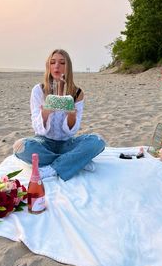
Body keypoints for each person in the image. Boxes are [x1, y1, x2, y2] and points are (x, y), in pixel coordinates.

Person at [13, 49, 105, 181]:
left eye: (62, 63)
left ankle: (54, 168)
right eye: (52, 62)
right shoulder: (38, 90)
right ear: (48, 66)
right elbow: (37, 127)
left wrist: (72, 115)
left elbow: (73, 130)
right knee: (20, 147)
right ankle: (76, 161)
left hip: (67, 143)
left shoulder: (77, 93)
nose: (57, 66)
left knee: (98, 141)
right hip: (43, 142)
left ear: (68, 67)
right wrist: (45, 113)